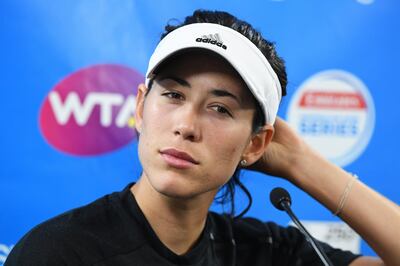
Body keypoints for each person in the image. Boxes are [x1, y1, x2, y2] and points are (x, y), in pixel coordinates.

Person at [5, 9, 400, 266]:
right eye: (174, 95)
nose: (186, 125)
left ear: (256, 144)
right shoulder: (59, 253)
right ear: (141, 108)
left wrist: (300, 163)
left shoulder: (262, 253)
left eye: (220, 108)